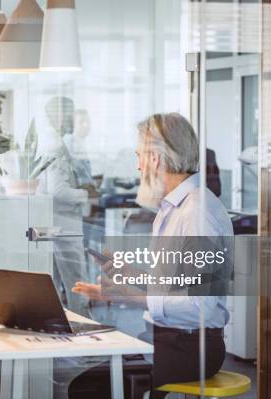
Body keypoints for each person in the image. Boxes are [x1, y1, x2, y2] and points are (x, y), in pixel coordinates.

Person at [71, 113, 232, 399]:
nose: (137, 166)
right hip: (168, 339)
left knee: (89, 387)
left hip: (191, 348)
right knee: (93, 375)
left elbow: (199, 305)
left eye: (140, 156)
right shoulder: (174, 208)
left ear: (156, 158)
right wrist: (127, 273)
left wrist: (122, 296)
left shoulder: (197, 214)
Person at [40, 97, 91, 317]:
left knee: (57, 282)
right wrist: (86, 195)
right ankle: (86, 334)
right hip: (63, 221)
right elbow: (58, 191)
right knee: (77, 282)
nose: (72, 119)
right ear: (59, 116)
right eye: (69, 114)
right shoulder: (55, 144)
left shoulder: (48, 140)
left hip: (53, 220)